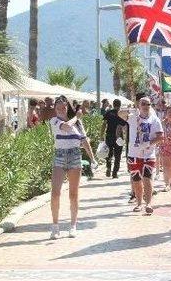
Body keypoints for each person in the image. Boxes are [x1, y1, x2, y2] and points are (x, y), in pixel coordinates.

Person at [49, 95, 97, 239]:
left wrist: (92, 158)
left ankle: (73, 225)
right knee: (55, 193)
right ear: (55, 109)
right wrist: (77, 116)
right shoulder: (54, 121)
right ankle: (55, 226)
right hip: (60, 156)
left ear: (67, 107)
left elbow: (84, 141)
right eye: (58, 107)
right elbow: (66, 127)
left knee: (73, 194)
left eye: (63, 106)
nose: (61, 109)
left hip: (75, 156)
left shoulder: (78, 124)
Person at [118, 97, 164, 214]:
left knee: (147, 179)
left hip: (149, 155)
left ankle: (148, 204)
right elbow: (119, 114)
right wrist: (131, 110)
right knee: (137, 180)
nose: (146, 106)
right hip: (133, 154)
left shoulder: (154, 120)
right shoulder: (133, 117)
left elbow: (160, 137)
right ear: (139, 105)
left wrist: (149, 143)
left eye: (148, 104)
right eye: (143, 104)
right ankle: (139, 203)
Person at [100, 98, 127, 179]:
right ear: (120, 105)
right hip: (119, 137)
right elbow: (124, 127)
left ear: (113, 104)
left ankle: (108, 167)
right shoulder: (121, 114)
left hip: (109, 136)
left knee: (109, 153)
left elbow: (104, 124)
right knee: (118, 155)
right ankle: (115, 173)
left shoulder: (108, 112)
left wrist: (101, 135)